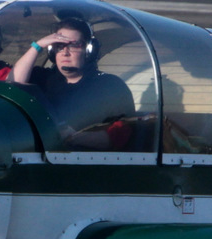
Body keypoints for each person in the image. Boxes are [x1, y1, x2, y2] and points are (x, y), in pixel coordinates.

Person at [11, 15, 137, 148]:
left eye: (74, 45)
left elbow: (123, 133)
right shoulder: (42, 78)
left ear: (89, 51)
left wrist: (75, 138)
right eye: (59, 46)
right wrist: (37, 45)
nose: (65, 52)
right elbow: (12, 84)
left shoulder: (110, 87)